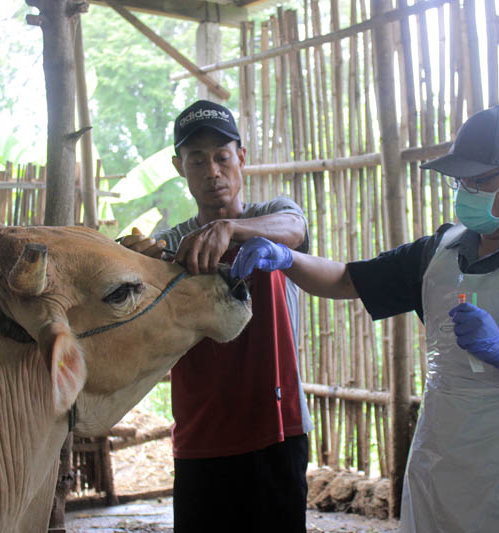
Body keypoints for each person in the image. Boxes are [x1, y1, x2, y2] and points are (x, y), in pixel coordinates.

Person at [231, 105, 499, 532]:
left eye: (479, 180)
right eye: (461, 180)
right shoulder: (440, 252)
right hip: (442, 466)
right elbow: (346, 279)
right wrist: (287, 258)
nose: (466, 190)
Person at [120, 100, 312, 533]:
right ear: (178, 167)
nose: (213, 171)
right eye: (197, 160)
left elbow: (295, 229)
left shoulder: (271, 217)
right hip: (200, 436)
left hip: (278, 430)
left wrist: (232, 229)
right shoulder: (171, 244)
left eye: (222, 157)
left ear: (241, 158)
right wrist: (133, 260)